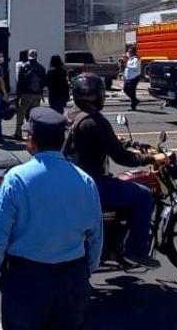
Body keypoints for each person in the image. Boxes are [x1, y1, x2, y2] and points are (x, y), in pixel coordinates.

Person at [0, 107, 103, 330]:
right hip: (72, 277)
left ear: (32, 140)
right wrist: (85, 272)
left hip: (27, 280)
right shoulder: (84, 180)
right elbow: (96, 236)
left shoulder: (16, 179)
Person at [63, 73, 161, 269]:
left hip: (71, 182)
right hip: (94, 185)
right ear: (96, 95)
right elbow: (123, 158)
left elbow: (94, 142)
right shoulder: (95, 121)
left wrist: (123, 141)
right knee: (143, 195)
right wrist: (151, 158)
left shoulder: (71, 116)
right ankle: (136, 250)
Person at [14, 50, 46, 140]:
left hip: (26, 94)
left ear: (28, 56)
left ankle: (18, 133)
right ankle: (33, 133)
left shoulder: (24, 66)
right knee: (34, 115)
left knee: (21, 113)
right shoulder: (41, 68)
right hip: (37, 95)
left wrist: (18, 94)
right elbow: (44, 81)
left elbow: (20, 81)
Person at [122, 46, 142, 111]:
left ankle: (133, 106)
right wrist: (124, 75)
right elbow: (127, 69)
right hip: (128, 78)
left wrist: (127, 65)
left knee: (132, 91)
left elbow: (135, 67)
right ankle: (135, 100)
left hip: (134, 77)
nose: (128, 53)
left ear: (132, 53)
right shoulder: (129, 60)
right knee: (125, 89)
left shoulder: (135, 60)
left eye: (129, 52)